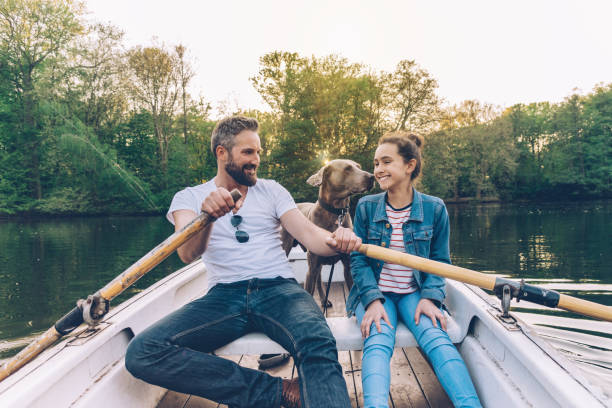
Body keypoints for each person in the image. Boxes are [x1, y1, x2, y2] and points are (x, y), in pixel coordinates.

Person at [125, 116, 360, 408]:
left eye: (258, 152)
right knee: (143, 352)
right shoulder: (189, 197)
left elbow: (311, 236)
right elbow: (187, 253)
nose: (256, 160)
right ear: (221, 153)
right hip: (223, 296)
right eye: (248, 152)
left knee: (317, 340)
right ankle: (279, 392)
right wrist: (207, 217)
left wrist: (342, 239)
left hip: (280, 291)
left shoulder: (272, 190)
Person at [346, 131, 482, 408]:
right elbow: (358, 261)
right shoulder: (365, 207)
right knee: (378, 339)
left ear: (409, 166)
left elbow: (440, 260)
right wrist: (371, 301)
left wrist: (431, 298)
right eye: (375, 164)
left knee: (436, 338)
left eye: (386, 162)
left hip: (414, 293)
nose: (378, 170)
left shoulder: (435, 208)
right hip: (376, 294)